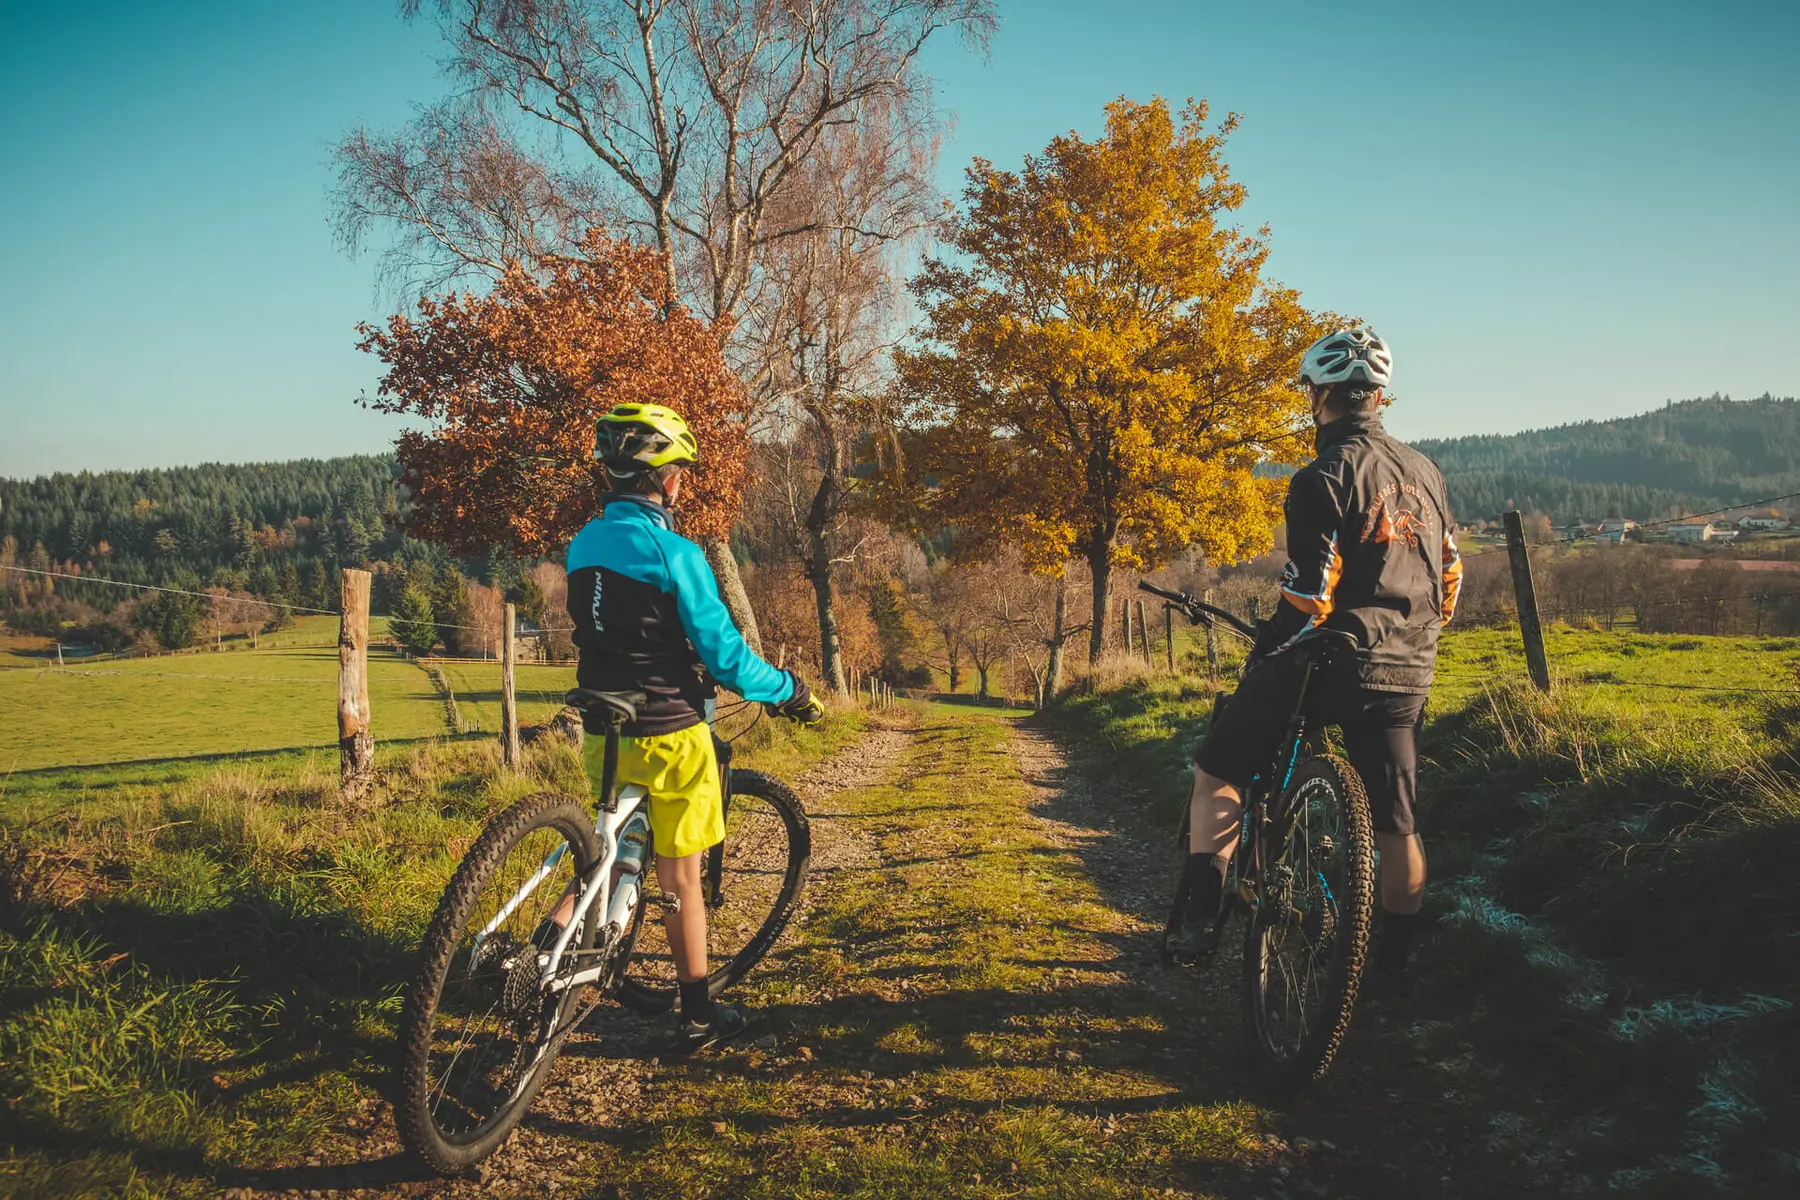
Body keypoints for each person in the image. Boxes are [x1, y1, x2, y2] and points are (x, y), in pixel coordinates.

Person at [1172, 329, 1461, 993]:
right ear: (1380, 396)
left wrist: (1269, 646)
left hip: (1328, 664)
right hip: (1407, 668)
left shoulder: (1322, 476)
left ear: (1318, 397)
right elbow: (1449, 583)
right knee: (1398, 824)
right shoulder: (1428, 472)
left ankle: (1200, 918)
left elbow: (1309, 598)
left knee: (1219, 768)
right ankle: (1390, 972)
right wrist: (1414, 637)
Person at [562, 402, 824, 1052]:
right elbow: (727, 660)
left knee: (603, 852)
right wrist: (789, 690)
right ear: (668, 479)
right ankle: (699, 1016)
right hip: (672, 732)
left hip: (602, 725)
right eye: (681, 470)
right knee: (682, 879)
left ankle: (544, 947)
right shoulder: (675, 554)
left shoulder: (582, 544)